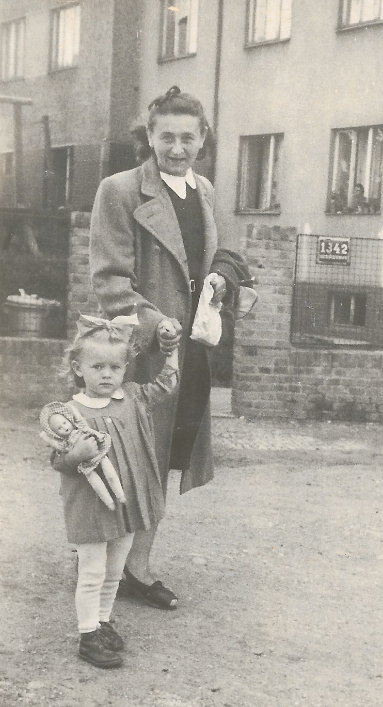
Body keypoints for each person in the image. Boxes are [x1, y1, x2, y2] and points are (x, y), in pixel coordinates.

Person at [89, 86, 255, 609]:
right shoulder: (119, 191)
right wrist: (154, 322)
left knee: (162, 460)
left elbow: (224, 253)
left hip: (189, 354)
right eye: (167, 137)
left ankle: (134, 567)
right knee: (129, 460)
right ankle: (108, 567)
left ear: (203, 139)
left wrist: (222, 278)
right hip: (139, 357)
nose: (177, 148)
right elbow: (110, 280)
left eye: (188, 137)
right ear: (150, 136)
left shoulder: (203, 191)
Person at [48, 313, 177, 668]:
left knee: (114, 570)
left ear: (125, 369)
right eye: (97, 366)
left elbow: (166, 384)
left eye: (115, 367)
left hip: (125, 504)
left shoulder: (132, 398)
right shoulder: (68, 413)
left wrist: (172, 351)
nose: (107, 374)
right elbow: (58, 460)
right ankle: (87, 636)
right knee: (92, 571)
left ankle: (102, 622)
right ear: (78, 368)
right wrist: (77, 453)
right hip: (90, 507)